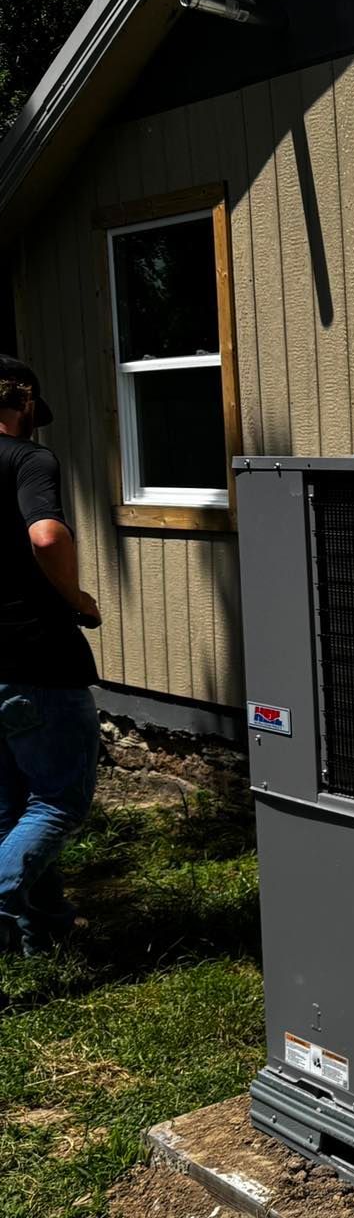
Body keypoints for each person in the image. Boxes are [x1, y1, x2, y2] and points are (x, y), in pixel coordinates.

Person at [0, 356, 102, 953]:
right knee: (58, 800)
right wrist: (76, 597)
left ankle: (41, 932)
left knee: (12, 807)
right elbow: (46, 534)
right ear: (23, 402)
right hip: (35, 658)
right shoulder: (28, 458)